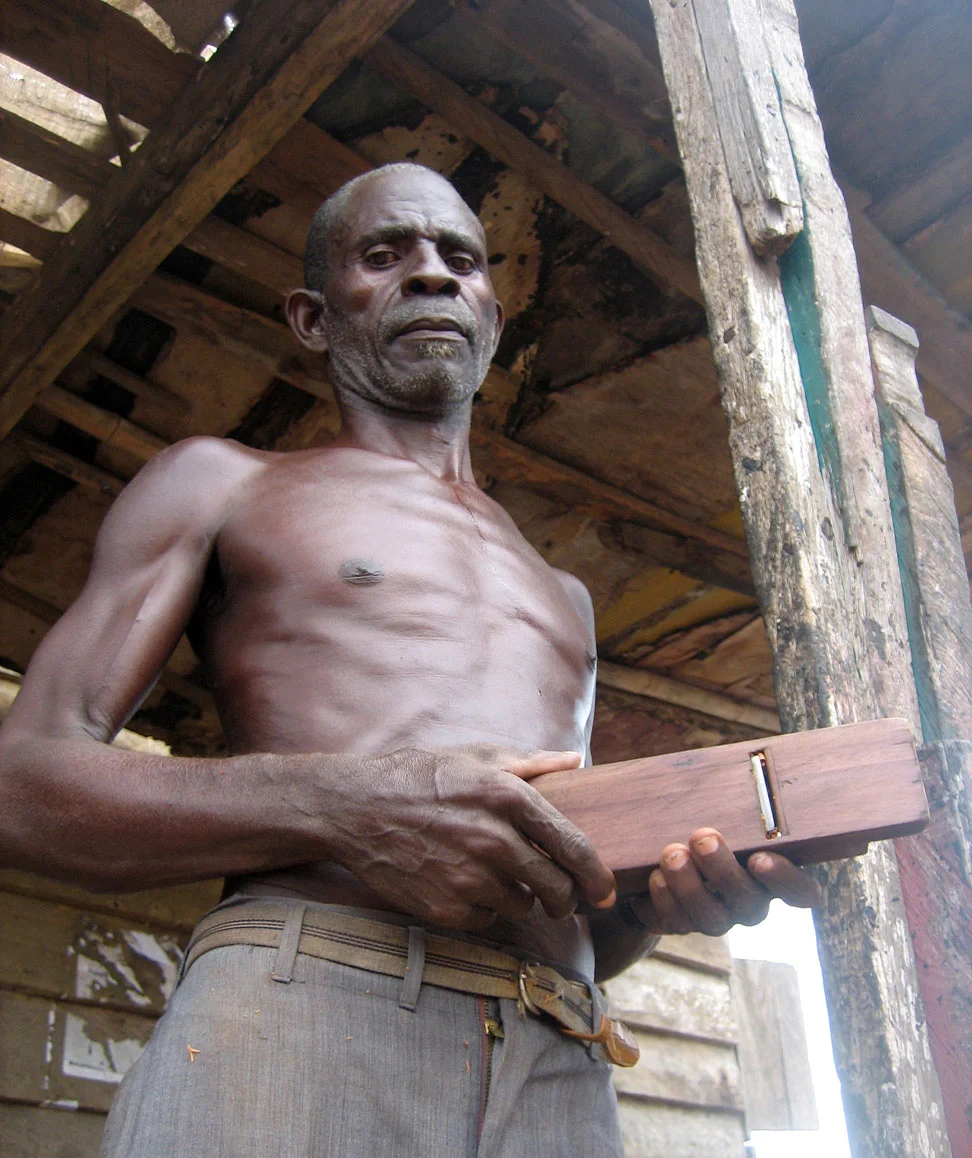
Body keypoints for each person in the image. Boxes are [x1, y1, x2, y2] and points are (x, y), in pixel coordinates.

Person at [0, 163, 817, 1156]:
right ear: (312, 317)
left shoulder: (563, 596)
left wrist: (657, 906)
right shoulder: (221, 483)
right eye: (384, 255)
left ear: (492, 319)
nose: (431, 275)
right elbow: (22, 787)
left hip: (560, 1053)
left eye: (460, 260)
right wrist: (343, 807)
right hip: (303, 1003)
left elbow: (577, 918)